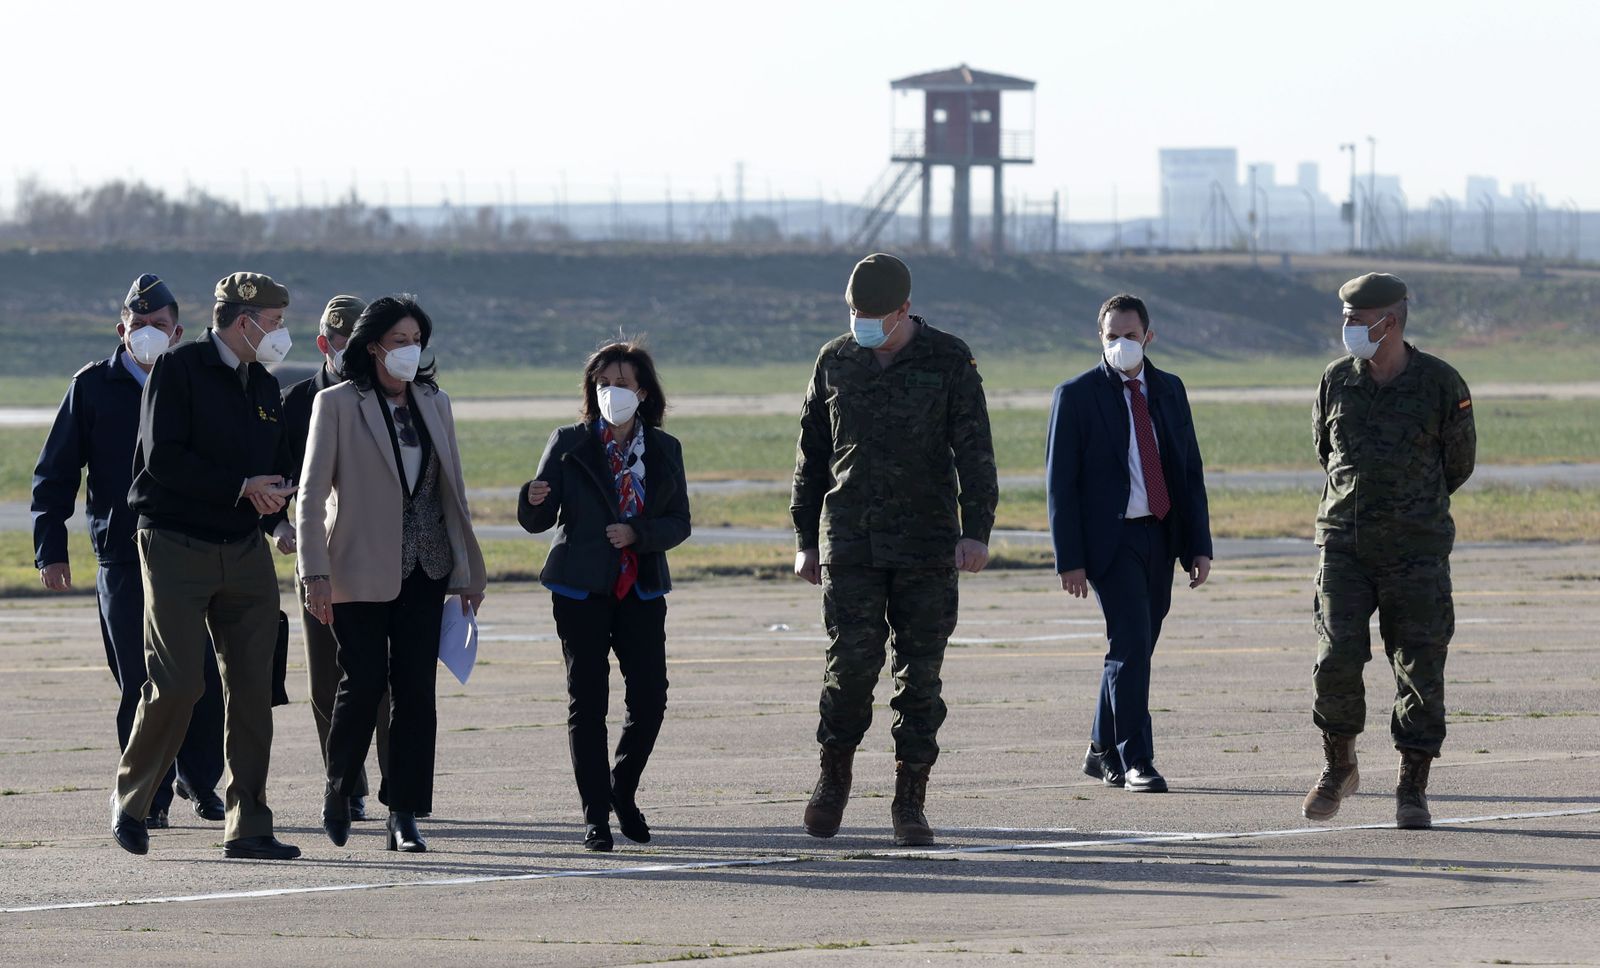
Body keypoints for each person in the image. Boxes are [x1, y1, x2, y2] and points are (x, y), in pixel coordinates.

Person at [791, 252, 998, 847]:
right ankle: (832, 780)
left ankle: (910, 800)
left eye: (876, 314)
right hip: (851, 541)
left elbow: (975, 453)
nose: (864, 323)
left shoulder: (949, 359)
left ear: (905, 310)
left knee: (920, 677)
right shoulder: (835, 360)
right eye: (855, 312)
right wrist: (805, 539)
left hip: (928, 545)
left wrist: (976, 530)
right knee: (850, 667)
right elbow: (811, 456)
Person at [112, 271, 301, 860]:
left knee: (251, 687)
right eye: (272, 323)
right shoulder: (179, 369)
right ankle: (133, 801)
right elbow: (163, 460)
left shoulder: (266, 387)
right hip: (175, 544)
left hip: (244, 550)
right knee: (178, 684)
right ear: (242, 320)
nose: (279, 334)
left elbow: (266, 470)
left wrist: (275, 511)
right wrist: (241, 485)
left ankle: (248, 824)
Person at [33, 274, 226, 830]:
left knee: (199, 676)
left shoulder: (195, 381)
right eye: (138, 326)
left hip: (189, 549)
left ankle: (199, 778)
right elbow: (55, 473)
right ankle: (148, 794)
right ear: (122, 329)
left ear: (179, 332)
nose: (147, 335)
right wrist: (52, 548)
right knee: (139, 678)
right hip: (121, 553)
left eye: (159, 327)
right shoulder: (93, 386)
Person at [299, 295, 486, 853]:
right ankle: (338, 790)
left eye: (417, 341)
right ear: (373, 346)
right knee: (361, 686)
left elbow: (453, 491)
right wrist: (314, 574)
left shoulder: (435, 402)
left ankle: (403, 812)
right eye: (400, 341)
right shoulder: (336, 404)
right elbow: (309, 498)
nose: (411, 350)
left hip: (426, 566)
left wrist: (468, 570)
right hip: (356, 567)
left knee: (415, 694)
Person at [1303, 272, 1475, 830]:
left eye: (1356, 321)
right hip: (1344, 548)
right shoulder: (1336, 381)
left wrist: (1409, 508)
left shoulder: (1441, 384)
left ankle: (1413, 785)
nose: (1347, 329)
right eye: (1346, 319)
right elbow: (1326, 452)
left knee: (1420, 668)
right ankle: (1339, 765)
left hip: (1416, 552)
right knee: (1335, 660)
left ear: (1389, 322)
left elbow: (1459, 464)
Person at [518, 341, 691, 852]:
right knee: (587, 701)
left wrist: (638, 533)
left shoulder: (665, 449)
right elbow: (537, 521)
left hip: (640, 587)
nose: (614, 390)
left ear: (644, 390)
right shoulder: (569, 441)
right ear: (594, 390)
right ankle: (595, 815)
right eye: (604, 382)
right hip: (580, 587)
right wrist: (529, 498)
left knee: (651, 698)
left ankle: (622, 787)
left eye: (624, 381)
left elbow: (679, 521)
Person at [1046, 293, 1213, 794]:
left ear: (1149, 336)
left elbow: (1189, 471)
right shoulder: (1076, 395)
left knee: (1134, 648)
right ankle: (1137, 758)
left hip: (1161, 534)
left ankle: (1101, 749)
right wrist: (1069, 560)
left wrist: (1198, 545)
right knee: (1132, 643)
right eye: (1111, 336)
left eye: (1130, 335)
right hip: (1110, 542)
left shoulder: (1169, 389)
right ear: (1100, 338)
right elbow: (1061, 484)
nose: (1121, 344)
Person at [279, 295, 390, 822]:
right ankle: (344, 782)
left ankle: (398, 784)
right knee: (327, 679)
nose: (350, 352)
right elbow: (276, 481)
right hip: (319, 556)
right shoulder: (296, 403)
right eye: (341, 342)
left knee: (385, 677)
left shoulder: (395, 397)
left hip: (380, 557)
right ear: (324, 344)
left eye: (360, 342)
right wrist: (278, 527)